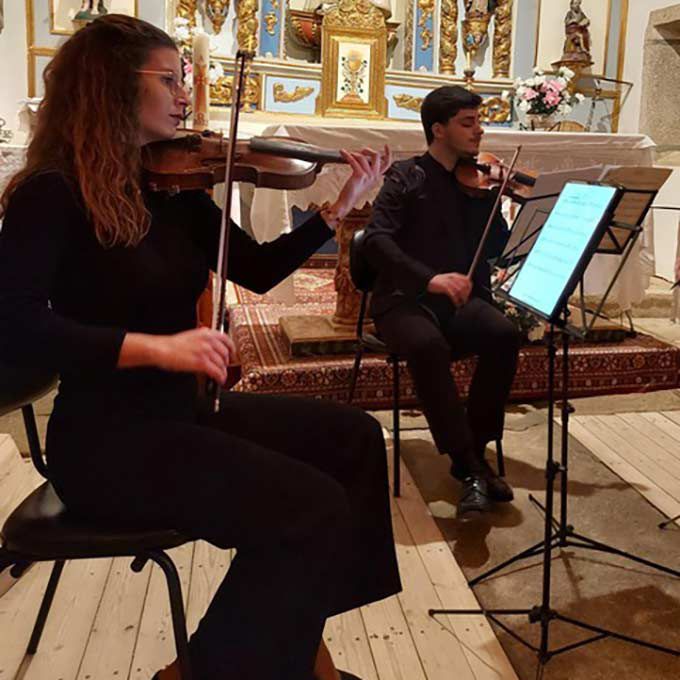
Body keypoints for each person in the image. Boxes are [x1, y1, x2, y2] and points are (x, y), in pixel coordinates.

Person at [0, 14, 401, 680]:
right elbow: (11, 324)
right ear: (112, 85)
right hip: (106, 441)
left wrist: (338, 208)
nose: (186, 94)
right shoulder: (52, 193)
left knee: (355, 439)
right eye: (169, 79)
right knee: (312, 509)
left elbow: (259, 270)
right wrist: (156, 349)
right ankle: (201, 673)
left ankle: (294, 642)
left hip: (182, 413)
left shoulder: (172, 188)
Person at [363, 85, 521, 517]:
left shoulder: (476, 184)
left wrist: (495, 200)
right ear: (438, 129)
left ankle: (477, 447)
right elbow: (375, 240)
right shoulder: (406, 176)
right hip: (403, 300)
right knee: (426, 344)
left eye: (479, 122)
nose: (479, 131)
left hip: (457, 301)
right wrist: (429, 279)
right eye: (468, 123)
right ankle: (468, 466)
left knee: (504, 334)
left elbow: (496, 248)